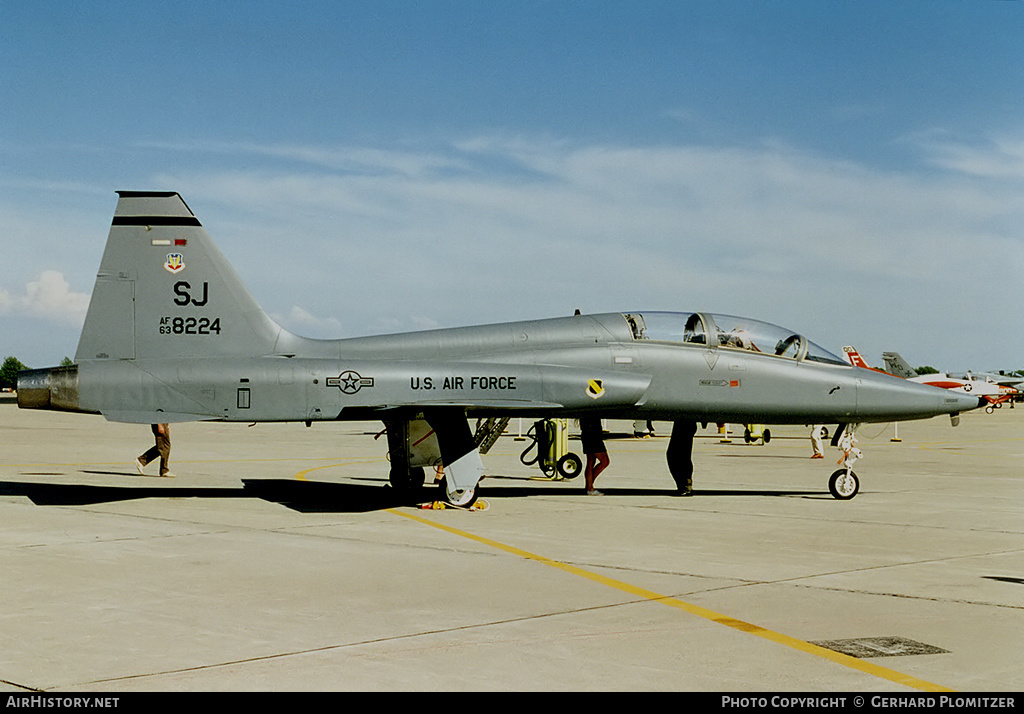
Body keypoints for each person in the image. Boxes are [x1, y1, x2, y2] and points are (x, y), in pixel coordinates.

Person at [579, 416, 609, 495]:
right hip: (593, 435)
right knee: (605, 461)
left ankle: (589, 487)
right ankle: (590, 485)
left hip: (588, 434)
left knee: (591, 461)